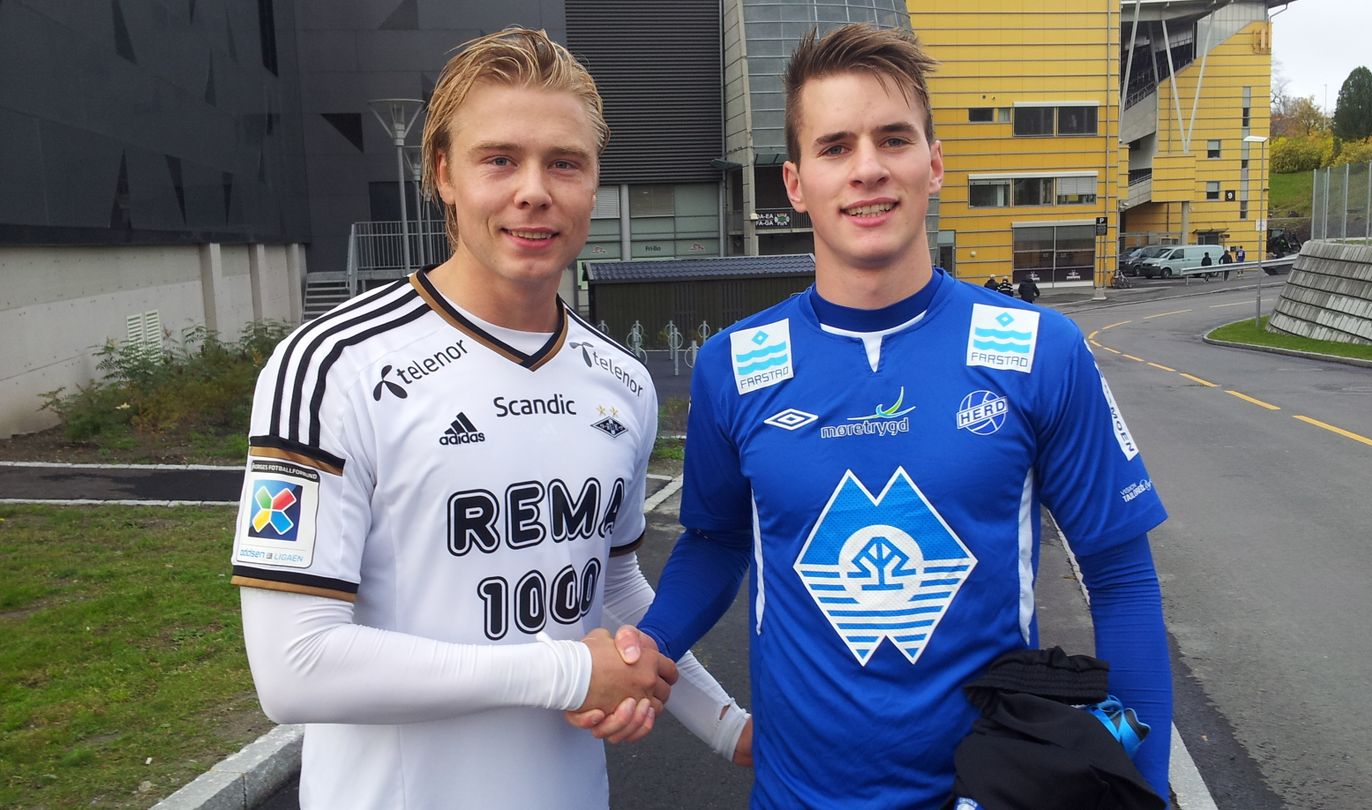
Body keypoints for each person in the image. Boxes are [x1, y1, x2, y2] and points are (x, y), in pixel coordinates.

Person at [635, 23, 1172, 809]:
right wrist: (645, 646)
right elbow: (715, 543)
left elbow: (1120, 579)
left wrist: (1143, 790)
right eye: (835, 147)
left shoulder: (1041, 350)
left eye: (893, 139)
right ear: (795, 183)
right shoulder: (733, 365)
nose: (868, 169)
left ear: (934, 163)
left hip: (986, 796)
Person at [230, 28, 748, 808]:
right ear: (443, 172)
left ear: (594, 180)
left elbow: (610, 589)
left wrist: (728, 727)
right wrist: (567, 672)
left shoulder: (623, 382)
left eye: (564, 162)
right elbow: (292, 667)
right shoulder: (332, 367)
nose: (534, 191)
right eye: (499, 159)